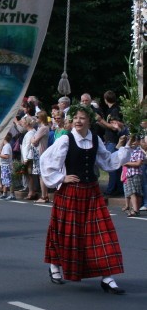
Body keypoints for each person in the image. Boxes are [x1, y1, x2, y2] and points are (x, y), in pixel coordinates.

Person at [39, 104, 134, 294]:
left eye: (82, 118)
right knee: (65, 232)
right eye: (75, 118)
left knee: (101, 233)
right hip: (70, 192)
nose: (78, 121)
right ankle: (55, 265)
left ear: (90, 121)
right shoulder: (66, 139)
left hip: (91, 192)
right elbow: (46, 161)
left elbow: (107, 162)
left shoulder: (95, 140)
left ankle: (107, 278)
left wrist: (124, 150)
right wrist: (61, 178)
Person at [122, 135, 145, 217]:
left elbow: (138, 163)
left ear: (138, 142)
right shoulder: (129, 151)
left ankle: (136, 210)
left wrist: (128, 163)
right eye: (130, 141)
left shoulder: (139, 152)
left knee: (136, 192)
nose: (132, 143)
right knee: (132, 192)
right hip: (129, 174)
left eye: (133, 141)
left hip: (136, 173)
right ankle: (135, 209)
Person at [0, 133, 14, 200]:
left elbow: (6, 156)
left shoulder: (6, 146)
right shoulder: (6, 146)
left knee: (8, 180)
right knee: (5, 180)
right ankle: (4, 193)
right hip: (4, 165)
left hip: (6, 166)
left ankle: (12, 194)